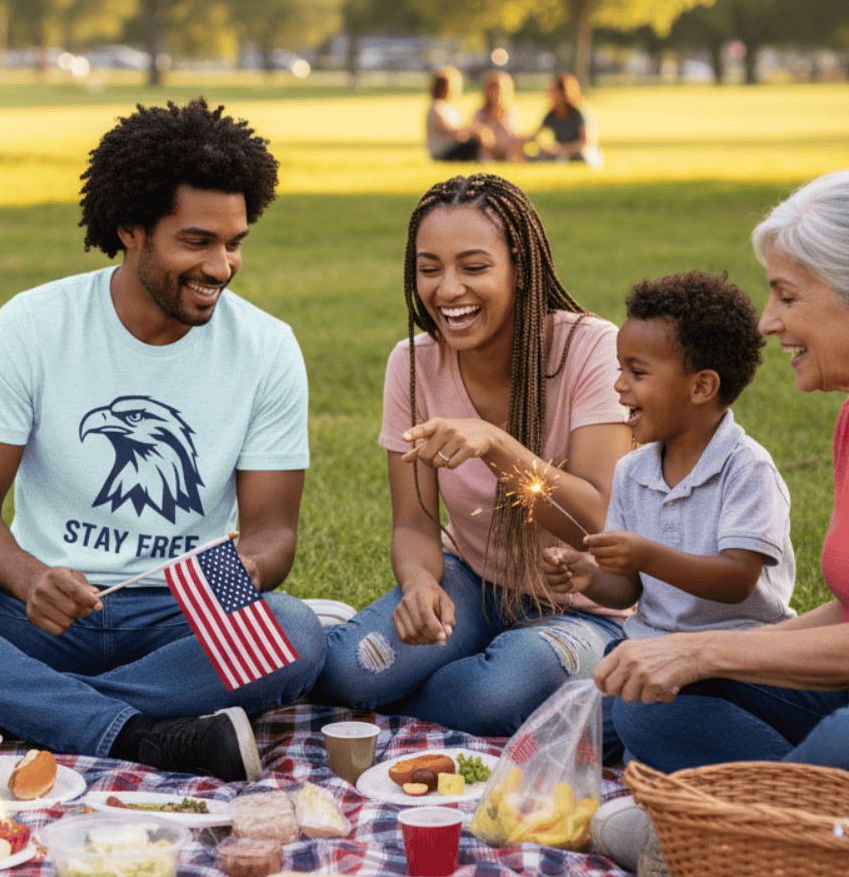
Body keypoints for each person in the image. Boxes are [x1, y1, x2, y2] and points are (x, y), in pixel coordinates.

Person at [0, 99, 325, 784]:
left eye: (234, 242)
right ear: (131, 230)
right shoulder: (33, 325)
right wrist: (30, 579)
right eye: (196, 242)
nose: (221, 266)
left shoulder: (266, 348)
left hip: (177, 617)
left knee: (295, 632)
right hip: (40, 614)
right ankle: (141, 735)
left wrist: (232, 576)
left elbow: (273, 534)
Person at [315, 173, 633, 735]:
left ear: (521, 269)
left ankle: (458, 678)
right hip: (472, 583)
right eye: (429, 269)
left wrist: (496, 445)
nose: (448, 290)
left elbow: (599, 522)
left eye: (474, 267)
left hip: (585, 605)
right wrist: (420, 585)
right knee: (350, 671)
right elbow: (413, 524)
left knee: (493, 694)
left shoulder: (590, 349)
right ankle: (401, 664)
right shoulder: (413, 364)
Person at [594, 170, 849, 772]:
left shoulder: (743, 467)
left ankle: (768, 802)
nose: (767, 321)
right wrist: (694, 657)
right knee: (647, 707)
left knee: (833, 747)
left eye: (788, 297)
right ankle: (775, 795)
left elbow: (735, 580)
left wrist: (704, 652)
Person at [544, 271, 795, 651]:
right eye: (620, 370)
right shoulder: (631, 471)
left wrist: (648, 555)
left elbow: (738, 579)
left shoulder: (746, 469)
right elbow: (628, 589)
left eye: (637, 372)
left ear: (701, 386)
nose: (619, 385)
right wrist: (590, 578)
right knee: (595, 682)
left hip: (739, 651)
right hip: (650, 644)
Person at [531, 73, 602, 167]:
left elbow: (585, 142)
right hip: (561, 153)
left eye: (553, 92)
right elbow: (536, 136)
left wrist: (565, 150)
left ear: (563, 93)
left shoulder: (578, 112)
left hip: (579, 151)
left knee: (583, 157)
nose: (549, 95)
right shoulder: (552, 114)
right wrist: (549, 148)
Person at [425, 68, 493, 163]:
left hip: (451, 148)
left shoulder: (448, 108)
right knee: (473, 144)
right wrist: (474, 130)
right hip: (443, 152)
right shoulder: (437, 108)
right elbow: (452, 131)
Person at [471, 71, 527, 164]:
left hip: (506, 148)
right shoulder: (481, 113)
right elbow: (474, 130)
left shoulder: (510, 112)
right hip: (488, 149)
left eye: (499, 90)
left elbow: (514, 134)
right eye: (493, 89)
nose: (496, 93)